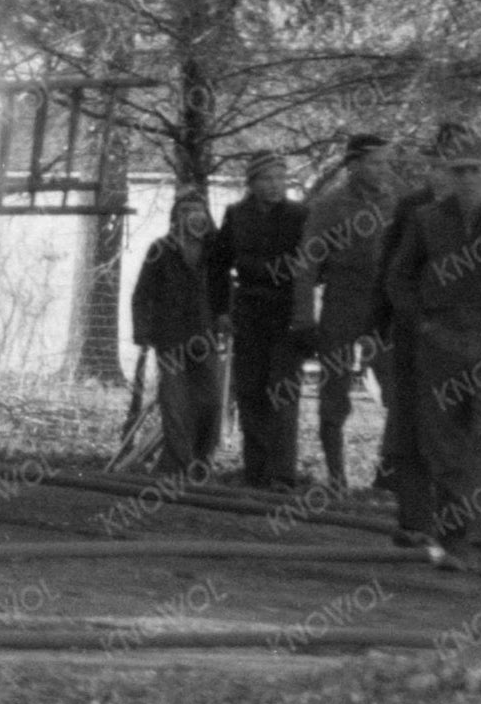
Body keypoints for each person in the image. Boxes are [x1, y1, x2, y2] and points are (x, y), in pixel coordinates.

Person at [399, 134, 481, 575]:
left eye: (476, 169)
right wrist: (423, 322)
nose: (468, 178)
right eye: (459, 170)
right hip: (441, 340)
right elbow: (400, 276)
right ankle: (455, 540)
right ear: (447, 175)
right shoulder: (427, 219)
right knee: (443, 441)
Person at [369, 119, 481, 561]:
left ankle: (461, 525)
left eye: (458, 166)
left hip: (470, 341)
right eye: (439, 166)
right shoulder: (413, 210)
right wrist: (378, 325)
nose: (447, 175)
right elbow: (391, 271)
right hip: (414, 335)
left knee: (461, 432)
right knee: (410, 427)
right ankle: (415, 522)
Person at [296, 131, 396, 492]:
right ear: (353, 165)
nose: (382, 169)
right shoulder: (330, 204)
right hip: (342, 300)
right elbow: (307, 263)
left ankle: (387, 477)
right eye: (374, 162)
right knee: (333, 392)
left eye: (385, 162)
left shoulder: (396, 202)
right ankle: (337, 477)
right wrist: (304, 317)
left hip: (384, 306)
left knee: (397, 391)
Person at [215, 149, 314, 487]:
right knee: (251, 392)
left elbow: (315, 267)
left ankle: (282, 475)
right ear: (252, 183)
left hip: (287, 314)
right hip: (249, 312)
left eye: (280, 178)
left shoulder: (301, 216)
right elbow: (219, 265)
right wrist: (222, 311)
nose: (275, 185)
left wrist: (305, 314)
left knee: (282, 394)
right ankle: (255, 471)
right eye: (267, 179)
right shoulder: (236, 215)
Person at [127, 188, 224, 473]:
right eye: (184, 212)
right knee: (175, 406)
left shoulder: (215, 253)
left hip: (205, 339)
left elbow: (225, 290)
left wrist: (226, 317)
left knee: (211, 403)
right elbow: (141, 294)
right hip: (170, 340)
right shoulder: (161, 250)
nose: (192, 217)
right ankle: (179, 467)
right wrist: (142, 332)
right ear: (175, 218)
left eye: (198, 211)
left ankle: (200, 462)